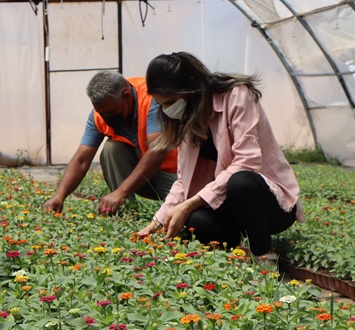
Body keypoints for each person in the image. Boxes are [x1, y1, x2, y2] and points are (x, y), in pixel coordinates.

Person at [137, 52, 305, 258]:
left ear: (190, 87)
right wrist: (158, 220)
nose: (168, 110)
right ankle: (233, 250)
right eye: (162, 105)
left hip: (270, 206)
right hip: (230, 207)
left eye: (171, 101)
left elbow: (247, 162)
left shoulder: (237, 96)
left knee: (240, 182)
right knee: (194, 221)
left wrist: (189, 204)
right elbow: (183, 181)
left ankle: (263, 255)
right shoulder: (188, 117)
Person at [42, 70, 178, 216]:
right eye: (102, 113)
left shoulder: (151, 98)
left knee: (185, 212)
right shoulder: (99, 114)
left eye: (111, 112)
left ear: (126, 96)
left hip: (176, 175)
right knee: (111, 148)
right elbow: (82, 159)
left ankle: (171, 204)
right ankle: (126, 214)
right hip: (142, 178)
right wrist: (59, 196)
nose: (106, 118)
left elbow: (157, 152)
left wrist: (120, 191)